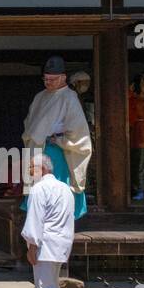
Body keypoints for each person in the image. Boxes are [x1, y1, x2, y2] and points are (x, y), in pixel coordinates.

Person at [21, 56, 92, 220]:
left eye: (52, 79)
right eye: (46, 79)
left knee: (58, 185)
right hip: (38, 148)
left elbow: (77, 129)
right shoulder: (40, 96)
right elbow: (30, 122)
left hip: (58, 149)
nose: (48, 82)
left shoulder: (70, 97)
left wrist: (60, 139)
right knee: (37, 184)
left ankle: (60, 219)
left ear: (63, 78)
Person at [22, 151, 75, 288]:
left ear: (42, 169)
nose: (29, 172)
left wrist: (32, 246)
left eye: (31, 168)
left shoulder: (39, 189)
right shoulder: (65, 188)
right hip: (61, 244)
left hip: (45, 245)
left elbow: (35, 219)